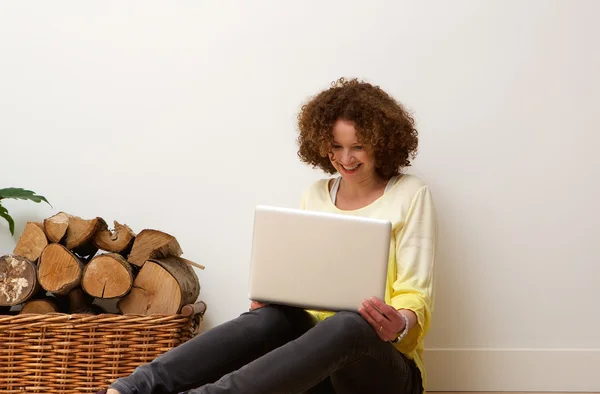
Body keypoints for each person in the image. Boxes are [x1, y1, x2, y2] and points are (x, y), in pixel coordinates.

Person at [101, 77, 437, 394]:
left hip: (382, 371)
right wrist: (279, 294)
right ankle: (134, 388)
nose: (345, 159)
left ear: (381, 143)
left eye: (358, 147)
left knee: (351, 324)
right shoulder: (317, 195)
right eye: (336, 146)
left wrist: (401, 324)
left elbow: (415, 293)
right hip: (318, 371)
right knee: (275, 316)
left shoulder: (410, 194)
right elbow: (310, 280)